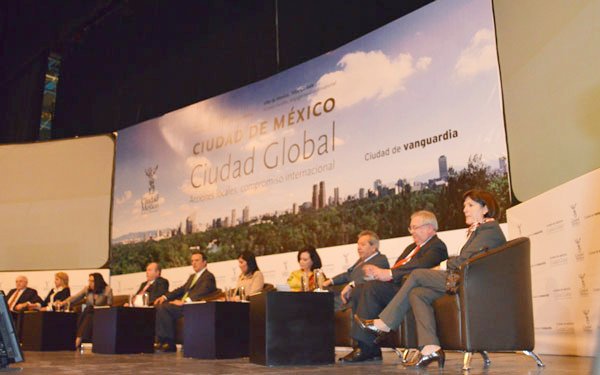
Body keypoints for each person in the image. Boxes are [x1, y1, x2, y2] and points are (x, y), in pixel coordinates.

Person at [355, 189, 507, 369]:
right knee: (418, 293)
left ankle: (385, 323)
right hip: (464, 278)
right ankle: (431, 348)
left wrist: (440, 267)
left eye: (470, 205)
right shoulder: (478, 231)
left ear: (485, 208)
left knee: (418, 274)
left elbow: (466, 259)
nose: (464, 209)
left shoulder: (489, 229)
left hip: (473, 282)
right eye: (464, 205)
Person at [340, 210, 448, 363]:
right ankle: (367, 348)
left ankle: (366, 347)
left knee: (372, 289)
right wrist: (377, 275)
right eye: (411, 228)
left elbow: (419, 267)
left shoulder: (437, 246)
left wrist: (388, 274)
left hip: (408, 289)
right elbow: (399, 267)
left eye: (415, 227)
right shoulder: (411, 247)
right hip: (397, 286)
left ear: (430, 228)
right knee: (360, 289)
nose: (412, 232)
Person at [154, 251, 217, 352]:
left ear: (205, 262)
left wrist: (185, 301)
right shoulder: (193, 277)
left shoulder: (208, 276)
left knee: (164, 308)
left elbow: (203, 291)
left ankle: (168, 343)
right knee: (162, 305)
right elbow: (181, 289)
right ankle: (162, 342)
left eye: (197, 260)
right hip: (184, 305)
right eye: (192, 261)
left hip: (194, 306)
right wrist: (165, 297)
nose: (194, 263)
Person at [322, 230, 390, 310]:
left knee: (324, 304)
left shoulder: (380, 259)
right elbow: (348, 274)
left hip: (357, 297)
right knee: (321, 296)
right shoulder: (361, 260)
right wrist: (330, 281)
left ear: (373, 247)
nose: (359, 248)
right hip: (348, 295)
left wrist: (351, 285)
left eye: (363, 244)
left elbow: (367, 278)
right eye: (358, 244)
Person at [57, 273, 113, 348]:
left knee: (89, 309)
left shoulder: (107, 290)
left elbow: (109, 305)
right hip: (89, 313)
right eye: (89, 281)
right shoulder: (87, 289)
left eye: (92, 281)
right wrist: (63, 303)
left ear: (98, 281)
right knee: (88, 310)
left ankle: (77, 340)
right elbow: (75, 298)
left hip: (101, 314)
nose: (90, 283)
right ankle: (79, 338)